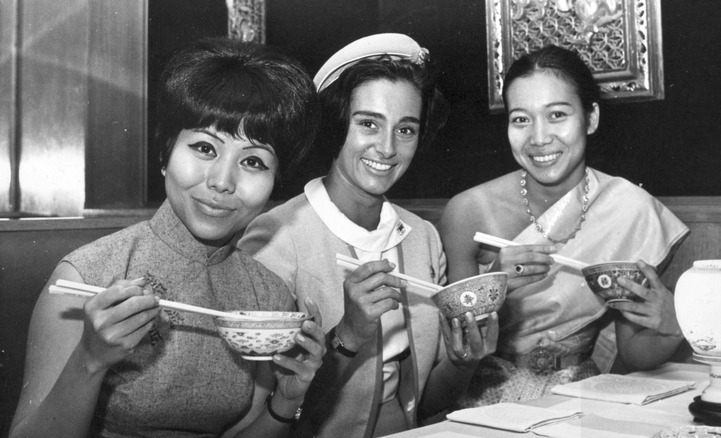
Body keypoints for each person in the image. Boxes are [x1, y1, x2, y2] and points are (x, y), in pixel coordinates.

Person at [10, 37, 325, 438]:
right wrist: (90, 359)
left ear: (274, 182)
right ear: (164, 154)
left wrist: (287, 399)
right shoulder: (84, 276)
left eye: (252, 161)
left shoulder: (268, 298)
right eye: (204, 148)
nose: (223, 182)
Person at [239, 33, 499, 437]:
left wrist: (463, 363)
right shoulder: (274, 239)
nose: (387, 148)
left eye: (406, 130)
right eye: (368, 124)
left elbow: (423, 404)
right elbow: (272, 411)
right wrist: (347, 337)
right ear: (337, 121)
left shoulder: (423, 238)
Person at [439, 45, 690, 405]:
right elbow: (459, 349)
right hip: (485, 401)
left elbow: (634, 353)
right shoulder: (469, 211)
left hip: (582, 400)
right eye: (521, 119)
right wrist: (493, 284)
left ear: (590, 119)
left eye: (557, 114)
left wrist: (671, 323)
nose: (539, 138)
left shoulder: (628, 208)